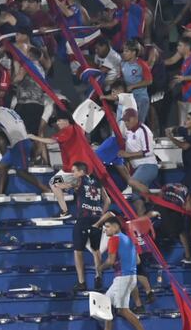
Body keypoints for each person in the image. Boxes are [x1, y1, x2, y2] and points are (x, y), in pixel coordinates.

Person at [63, 162, 110, 291]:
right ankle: (98, 276)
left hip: (83, 219)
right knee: (96, 250)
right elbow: (108, 201)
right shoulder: (97, 181)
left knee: (78, 251)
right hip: (97, 219)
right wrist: (101, 214)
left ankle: (81, 282)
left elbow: (61, 184)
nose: (73, 173)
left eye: (74, 171)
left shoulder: (78, 180)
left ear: (81, 172)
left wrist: (58, 184)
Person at [0, 106, 49, 195]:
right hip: (16, 145)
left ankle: (46, 189)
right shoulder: (10, 112)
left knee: (21, 172)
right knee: (2, 165)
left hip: (21, 144)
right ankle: (0, 192)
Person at [97, 217, 145, 330]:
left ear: (116, 226)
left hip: (123, 278)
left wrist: (100, 268)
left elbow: (110, 261)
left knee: (123, 310)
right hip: (129, 277)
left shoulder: (114, 239)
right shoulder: (128, 239)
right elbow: (138, 261)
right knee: (106, 305)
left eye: (107, 227)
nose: (105, 230)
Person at [119, 108, 157, 215]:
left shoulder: (144, 130)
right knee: (137, 202)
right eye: (125, 121)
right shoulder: (128, 132)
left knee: (131, 181)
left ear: (135, 118)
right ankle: (142, 229)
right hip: (138, 169)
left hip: (148, 165)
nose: (126, 123)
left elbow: (148, 151)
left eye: (128, 120)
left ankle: (154, 201)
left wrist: (128, 155)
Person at [165, 112, 191, 195]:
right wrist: (170, 129)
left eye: (188, 119)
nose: (185, 121)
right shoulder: (185, 130)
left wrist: (171, 138)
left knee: (189, 194)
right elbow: (177, 128)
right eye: (186, 119)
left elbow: (185, 146)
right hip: (187, 168)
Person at [170, 37, 191, 125]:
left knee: (190, 127)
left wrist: (183, 78)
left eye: (180, 45)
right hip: (186, 98)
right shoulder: (185, 61)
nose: (177, 48)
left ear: (187, 47)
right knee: (184, 127)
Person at [120, 40, 152, 123]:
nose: (124, 53)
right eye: (123, 51)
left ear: (134, 52)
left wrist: (133, 86)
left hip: (141, 97)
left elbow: (149, 81)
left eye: (127, 51)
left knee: (139, 122)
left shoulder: (142, 64)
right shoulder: (123, 64)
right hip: (128, 97)